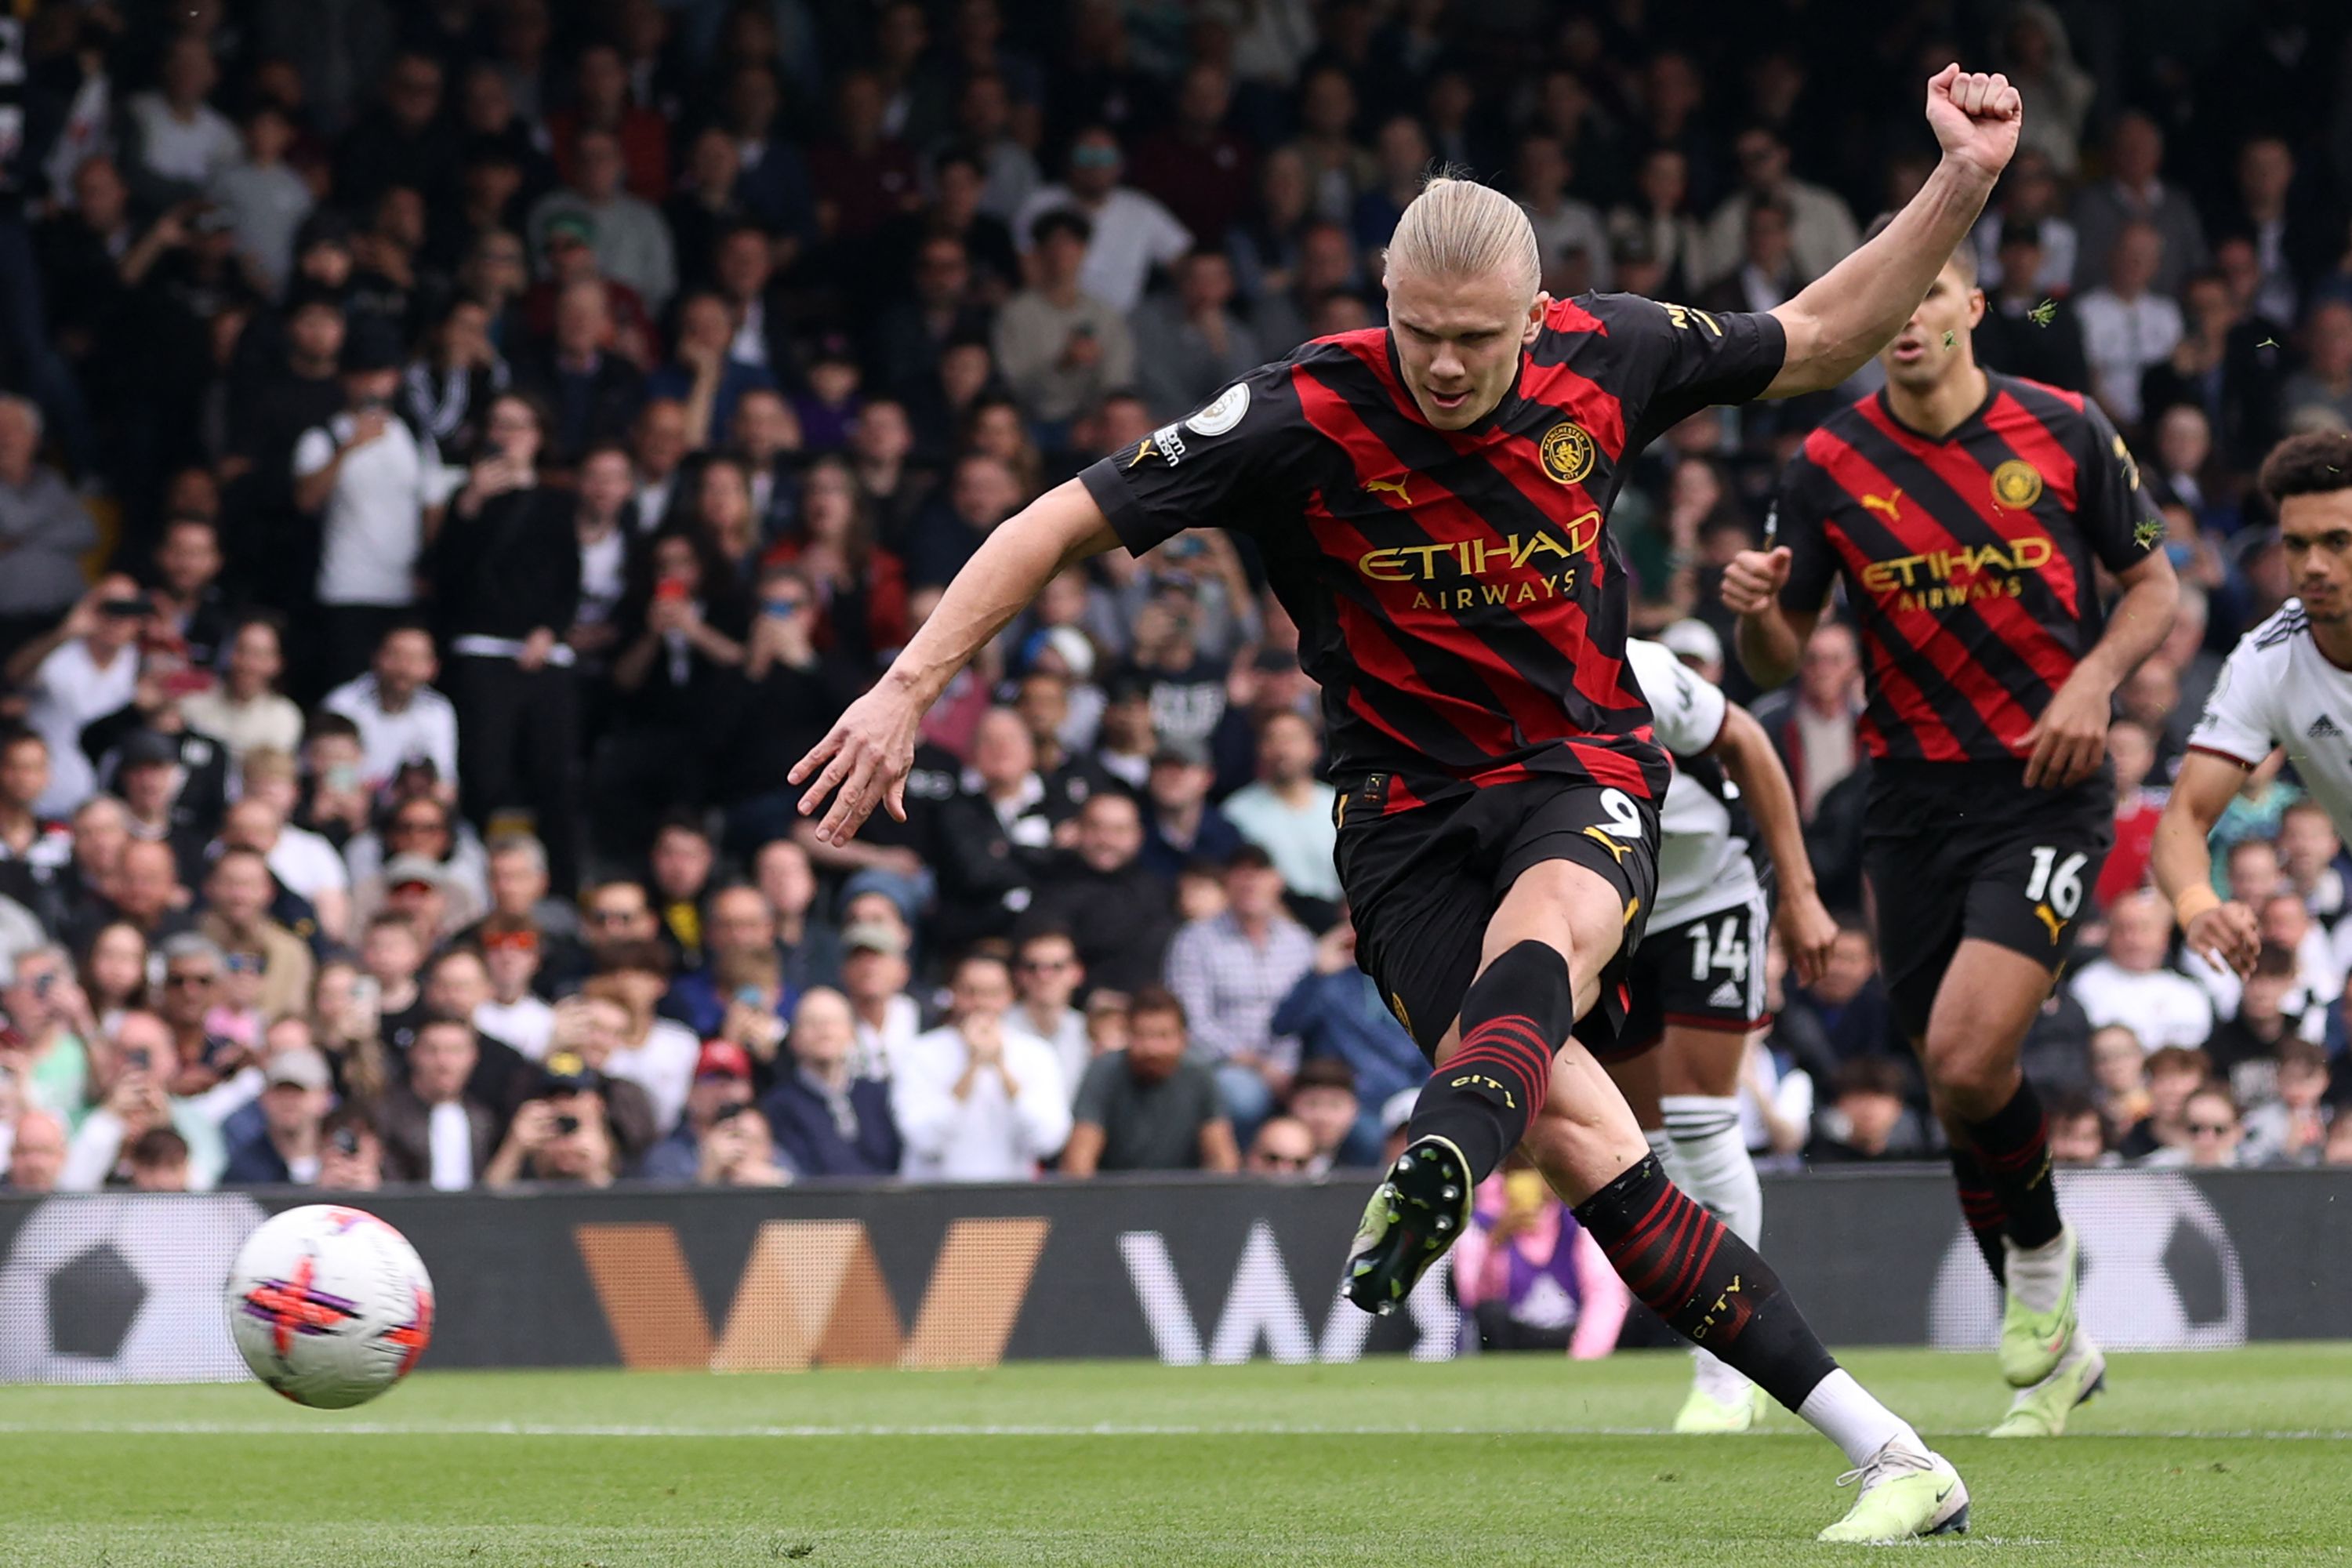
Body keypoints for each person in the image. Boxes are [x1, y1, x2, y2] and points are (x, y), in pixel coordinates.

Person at [793, 67, 2031, 1541]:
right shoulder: (1296, 410)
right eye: (1420, 333)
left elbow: (1823, 335)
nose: (1445, 366)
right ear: (1384, 298)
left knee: (1554, 938)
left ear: (1533, 311)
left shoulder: (1611, 352)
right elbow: (1058, 517)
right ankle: (1895, 1452)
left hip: (1579, 769)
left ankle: (1440, 1141)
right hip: (1398, 823)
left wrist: (1961, 180)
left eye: (1476, 340)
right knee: (1584, 1149)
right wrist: (913, 683)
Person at [1724, 198, 2178, 1436]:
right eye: (1892, 298)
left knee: (1974, 1056)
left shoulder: (2065, 429)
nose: (1909, 317)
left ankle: (2038, 1271)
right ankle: (2063, 1345)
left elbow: (2154, 586)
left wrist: (2094, 678)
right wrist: (1758, 605)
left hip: (2042, 787)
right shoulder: (1826, 464)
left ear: (1971, 307)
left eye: (1933, 292)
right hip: (1908, 801)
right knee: (1953, 1077)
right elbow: (1775, 654)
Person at [1603, 637, 1839, 1430]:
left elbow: (1751, 744)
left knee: (1704, 1127)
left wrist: (1800, 894)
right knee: (1649, 1147)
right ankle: (1719, 1349)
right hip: (1612, 914)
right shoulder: (1496, 691)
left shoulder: (1635, 664)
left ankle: (1727, 1376)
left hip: (1710, 896)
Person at [2159, 433, 2352, 988]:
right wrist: (2200, 907)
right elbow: (2186, 818)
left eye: (2337, 542)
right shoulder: (2268, 658)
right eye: (2297, 544)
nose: (2312, 566)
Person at [891, 953, 1070, 1181]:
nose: (981, 1004)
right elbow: (925, 1140)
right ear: (953, 994)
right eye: (970, 992)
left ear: (1009, 996)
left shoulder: (1037, 1054)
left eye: (992, 993)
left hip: (1009, 1204)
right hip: (934, 1201)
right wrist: (972, 1066)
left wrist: (1000, 1067)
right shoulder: (919, 1053)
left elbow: (1047, 1140)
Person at [1061, 986, 1240, 1175]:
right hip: (1116, 1196)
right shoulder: (1104, 1071)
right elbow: (1079, 1160)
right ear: (1128, 1035)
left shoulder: (1199, 1074)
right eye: (1142, 1035)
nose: (1152, 1049)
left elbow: (1223, 1158)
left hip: (1183, 1197)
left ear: (1183, 1038)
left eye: (1163, 1036)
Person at [760, 986, 902, 1177]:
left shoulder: (877, 1095)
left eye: (833, 1022)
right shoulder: (778, 1105)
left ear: (851, 1033)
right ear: (794, 1038)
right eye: (812, 1023)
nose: (824, 1031)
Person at [375, 1014, 500, 1189]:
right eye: (432, 1051)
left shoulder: (484, 1118)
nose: (444, 1063)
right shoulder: (384, 1115)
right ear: (413, 1054)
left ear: (473, 1056)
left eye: (455, 1051)